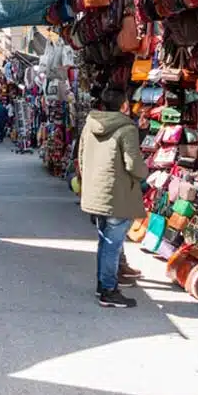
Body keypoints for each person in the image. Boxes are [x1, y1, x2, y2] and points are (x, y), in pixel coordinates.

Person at [78, 86, 147, 308]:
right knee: (112, 244)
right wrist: (145, 173)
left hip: (96, 193)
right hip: (118, 195)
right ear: (124, 105)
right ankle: (109, 290)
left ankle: (103, 286)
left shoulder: (91, 125)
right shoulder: (127, 129)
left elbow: (81, 156)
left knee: (105, 241)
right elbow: (133, 164)